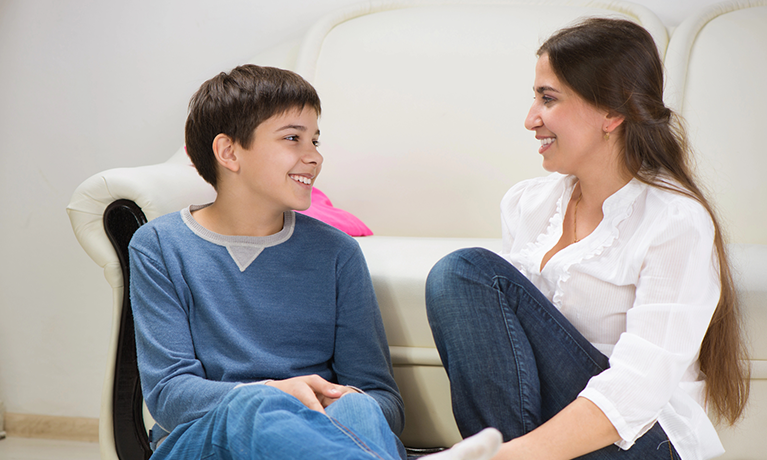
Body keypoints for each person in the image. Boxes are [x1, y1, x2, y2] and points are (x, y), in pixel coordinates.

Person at [129, 65, 501, 460]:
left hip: (320, 437)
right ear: (229, 152)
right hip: (203, 441)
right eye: (293, 138)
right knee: (254, 406)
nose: (314, 158)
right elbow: (169, 396)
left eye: (315, 141)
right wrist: (275, 393)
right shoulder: (159, 246)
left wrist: (337, 400)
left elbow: (384, 400)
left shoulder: (336, 253)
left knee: (360, 405)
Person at [425, 18, 749, 460]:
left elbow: (636, 389)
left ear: (612, 113)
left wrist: (508, 455)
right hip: (549, 434)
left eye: (548, 98)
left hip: (639, 438)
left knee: (465, 271)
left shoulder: (675, 222)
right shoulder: (528, 204)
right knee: (460, 276)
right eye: (534, 97)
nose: (530, 119)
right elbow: (506, 361)